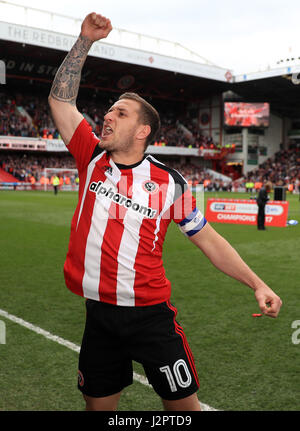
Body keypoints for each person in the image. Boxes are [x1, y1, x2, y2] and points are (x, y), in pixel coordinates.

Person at [48, 12, 282, 412]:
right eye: (110, 109)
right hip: (99, 316)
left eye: (120, 113)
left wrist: (257, 283)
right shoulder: (91, 156)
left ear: (143, 132)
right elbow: (61, 100)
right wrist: (85, 41)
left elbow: (209, 240)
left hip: (150, 317)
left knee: (183, 408)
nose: (107, 115)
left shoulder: (170, 184)